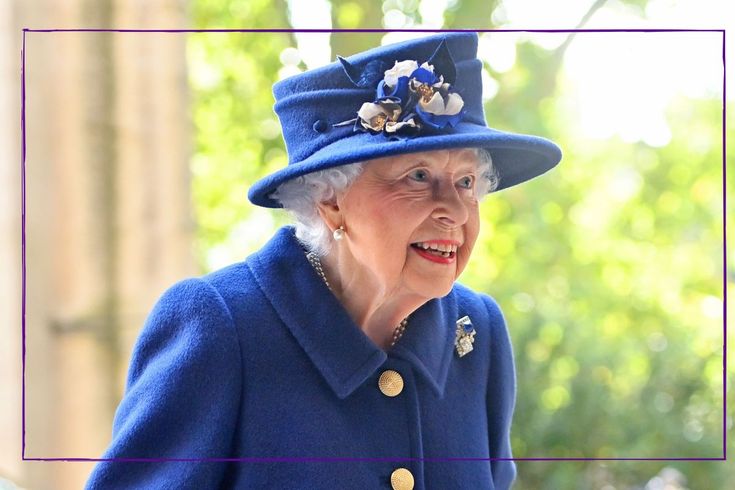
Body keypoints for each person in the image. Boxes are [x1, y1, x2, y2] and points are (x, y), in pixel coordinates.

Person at [86, 31, 561, 490]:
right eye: (418, 176)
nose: (456, 212)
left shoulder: (477, 331)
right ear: (331, 200)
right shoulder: (220, 327)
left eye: (466, 183)